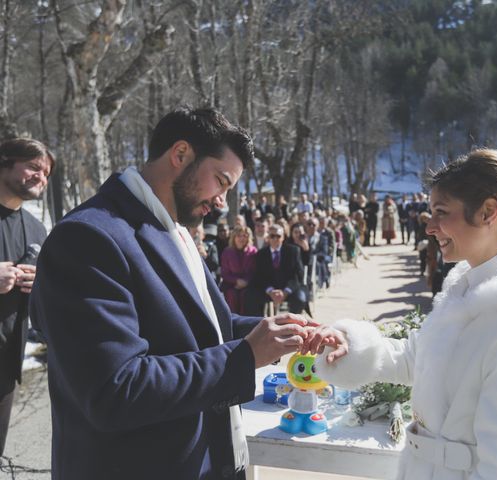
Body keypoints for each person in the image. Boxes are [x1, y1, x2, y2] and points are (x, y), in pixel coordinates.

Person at [30, 107, 312, 480]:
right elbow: (115, 390)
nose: (222, 202)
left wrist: (276, 331)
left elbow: (203, 326)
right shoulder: (88, 237)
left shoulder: (171, 227)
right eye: (221, 181)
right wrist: (243, 357)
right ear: (180, 154)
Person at [306, 148, 497, 479]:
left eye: (441, 212)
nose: (430, 227)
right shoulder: (464, 288)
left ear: (488, 213)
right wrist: (352, 346)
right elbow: (418, 357)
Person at [0, 138, 53, 456]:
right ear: (5, 161)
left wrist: (40, 285)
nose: (41, 177)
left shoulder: (37, 230)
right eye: (34, 167)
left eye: (46, 173)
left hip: (7, 366)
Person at [246, 224, 307, 316]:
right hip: (269, 289)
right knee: (251, 296)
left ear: (283, 237)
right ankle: (258, 325)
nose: (275, 239)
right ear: (268, 237)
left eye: (278, 236)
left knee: (300, 299)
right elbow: (259, 276)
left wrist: (286, 291)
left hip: (289, 289)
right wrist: (270, 291)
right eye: (272, 236)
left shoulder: (293, 251)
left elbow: (298, 275)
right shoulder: (261, 254)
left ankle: (292, 325)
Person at [220, 226, 257, 315]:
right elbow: (224, 273)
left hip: (249, 283)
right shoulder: (227, 252)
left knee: (247, 295)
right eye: (239, 236)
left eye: (244, 235)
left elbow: (254, 271)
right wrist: (237, 281)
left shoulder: (253, 251)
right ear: (234, 237)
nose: (241, 238)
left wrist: (246, 281)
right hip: (231, 284)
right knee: (231, 294)